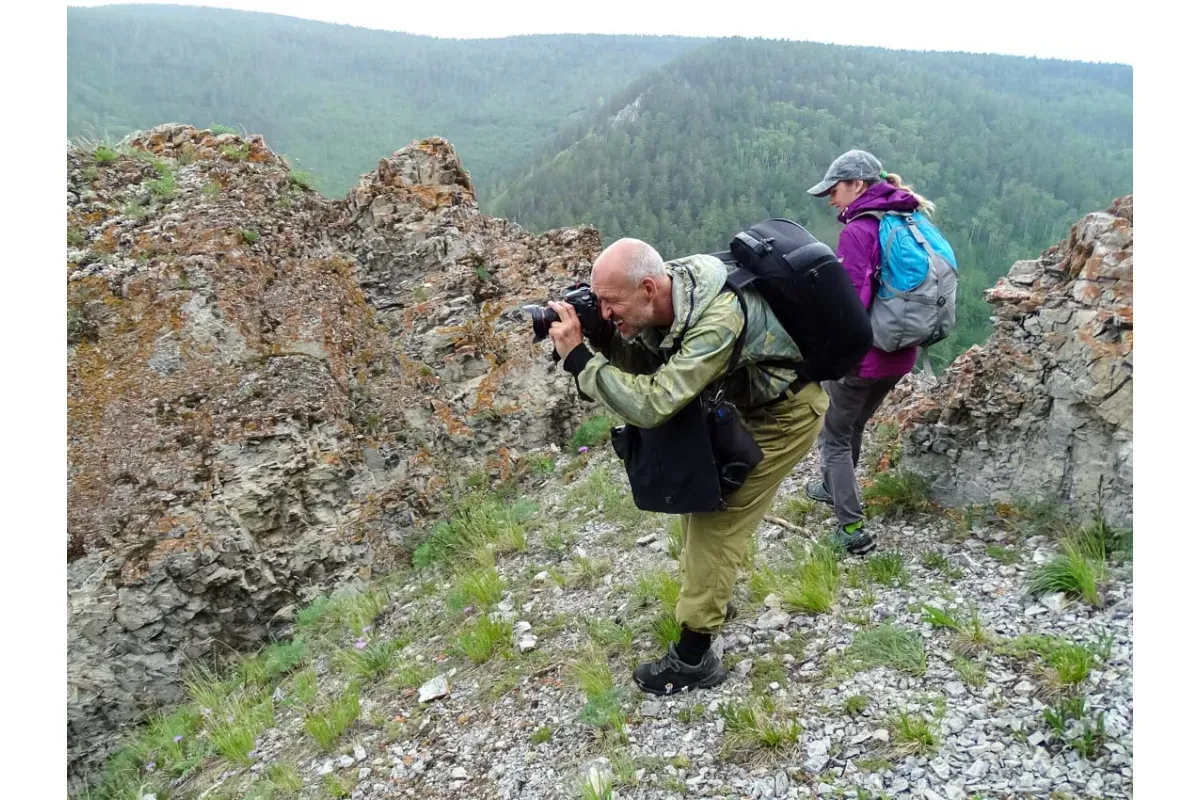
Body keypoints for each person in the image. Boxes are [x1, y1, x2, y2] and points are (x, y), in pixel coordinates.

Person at [545, 238, 828, 695]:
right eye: (597, 300)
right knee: (700, 505)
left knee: (717, 523)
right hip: (742, 409)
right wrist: (602, 333)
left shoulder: (716, 319)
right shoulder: (665, 296)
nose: (605, 309)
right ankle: (714, 598)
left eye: (610, 303)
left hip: (786, 415)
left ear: (649, 288)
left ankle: (694, 658)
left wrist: (581, 359)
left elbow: (655, 402)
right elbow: (644, 365)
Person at [803, 149, 939, 555]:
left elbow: (849, 303)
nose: (830, 198)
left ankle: (850, 529)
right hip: (902, 354)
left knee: (834, 436)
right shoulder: (907, 218)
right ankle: (831, 487)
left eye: (835, 188)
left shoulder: (859, 231)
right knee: (853, 423)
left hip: (864, 356)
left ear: (858, 185)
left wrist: (822, 347)